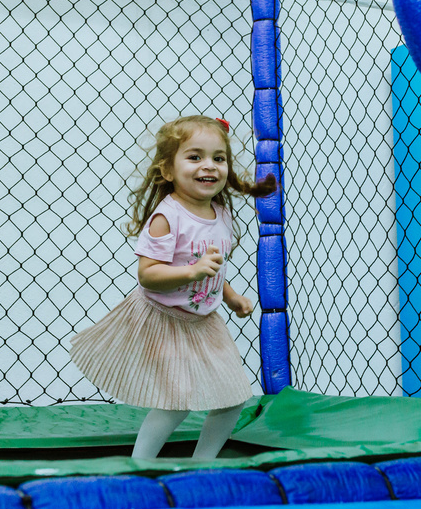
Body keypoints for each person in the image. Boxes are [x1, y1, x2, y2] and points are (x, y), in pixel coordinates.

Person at [70, 115, 277, 459]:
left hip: (204, 321)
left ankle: (202, 463)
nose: (208, 166)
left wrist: (230, 297)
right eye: (194, 157)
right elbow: (148, 274)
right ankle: (140, 464)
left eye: (218, 158)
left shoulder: (220, 212)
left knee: (233, 398)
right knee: (176, 402)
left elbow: (214, 268)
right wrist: (191, 271)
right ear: (168, 170)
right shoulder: (168, 217)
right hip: (164, 319)